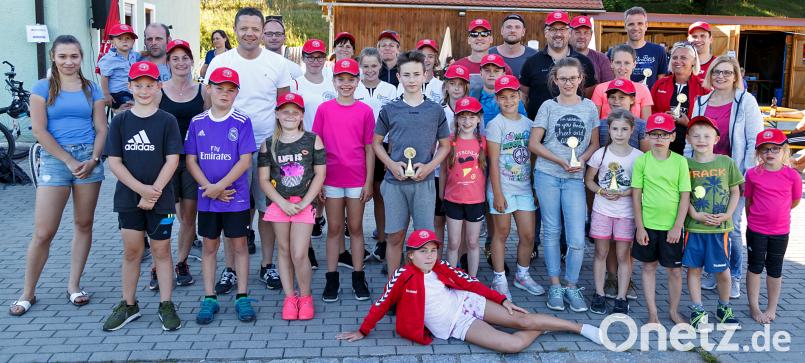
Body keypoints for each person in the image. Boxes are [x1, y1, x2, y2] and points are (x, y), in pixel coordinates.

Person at [335, 229, 604, 352]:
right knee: (510, 345)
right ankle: (544, 328)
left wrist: (501, 299)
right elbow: (381, 304)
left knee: (521, 317)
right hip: (456, 323)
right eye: (422, 252)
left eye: (432, 250)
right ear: (411, 256)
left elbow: (469, 284)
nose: (429, 256)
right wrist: (362, 331)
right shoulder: (403, 276)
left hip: (468, 303)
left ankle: (580, 328)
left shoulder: (440, 266)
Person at [9, 35, 107, 316]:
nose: (68, 62)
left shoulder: (91, 89)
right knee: (43, 232)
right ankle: (28, 293)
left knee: (84, 224)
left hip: (89, 160)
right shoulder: (42, 88)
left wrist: (93, 159)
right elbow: (39, 130)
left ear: (80, 58)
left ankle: (74, 285)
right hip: (55, 160)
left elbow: (101, 127)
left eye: (74, 56)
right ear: (53, 57)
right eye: (62, 56)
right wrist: (68, 159)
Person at [205, 7, 292, 291]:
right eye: (245, 28)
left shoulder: (277, 64)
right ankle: (230, 269)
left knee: (267, 210)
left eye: (256, 28)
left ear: (263, 31)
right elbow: (210, 106)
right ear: (235, 29)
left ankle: (267, 266)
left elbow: (283, 107)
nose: (250, 33)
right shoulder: (221, 61)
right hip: (228, 151)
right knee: (231, 209)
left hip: (267, 147)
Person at [102, 61, 182, 331]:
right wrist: (141, 190)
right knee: (132, 250)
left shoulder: (167, 121)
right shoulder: (121, 121)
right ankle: (129, 304)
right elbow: (114, 162)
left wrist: (154, 192)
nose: (144, 90)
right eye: (139, 85)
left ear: (159, 86)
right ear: (130, 87)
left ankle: (166, 303)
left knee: (162, 250)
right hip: (128, 198)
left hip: (163, 200)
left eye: (150, 85)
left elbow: (172, 160)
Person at [185, 67, 257, 324]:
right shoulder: (197, 122)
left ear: (237, 93)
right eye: (219, 88)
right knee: (209, 246)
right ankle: (209, 297)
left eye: (230, 89)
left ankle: (242, 296)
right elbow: (191, 160)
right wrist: (209, 187)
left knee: (239, 245)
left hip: (234, 197)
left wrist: (220, 186)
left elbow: (245, 161)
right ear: (209, 89)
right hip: (207, 197)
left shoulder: (242, 121)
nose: (224, 93)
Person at [687, 56, 764, 297]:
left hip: (731, 173)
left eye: (727, 73)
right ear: (710, 75)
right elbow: (692, 136)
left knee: (731, 228)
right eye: (717, 72)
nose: (721, 76)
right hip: (702, 173)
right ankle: (714, 273)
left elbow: (754, 139)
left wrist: (745, 174)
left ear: (735, 76)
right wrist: (685, 171)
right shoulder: (701, 101)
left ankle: (734, 276)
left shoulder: (745, 101)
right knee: (705, 225)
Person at [529, 58, 600, 312]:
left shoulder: (590, 107)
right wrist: (559, 160)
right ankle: (555, 284)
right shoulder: (548, 106)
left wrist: (580, 159)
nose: (568, 83)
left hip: (574, 178)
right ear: (555, 80)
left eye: (573, 78)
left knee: (577, 236)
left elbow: (594, 143)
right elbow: (534, 143)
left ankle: (572, 285)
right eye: (563, 79)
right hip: (548, 175)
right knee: (551, 230)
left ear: (581, 79)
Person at [373, 50, 451, 275]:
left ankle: (423, 286)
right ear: (398, 77)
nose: (412, 80)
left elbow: (445, 145)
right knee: (395, 236)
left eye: (416, 74)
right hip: (395, 183)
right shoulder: (389, 109)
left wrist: (429, 166)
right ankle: (393, 285)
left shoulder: (435, 110)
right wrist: (391, 164)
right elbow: (377, 143)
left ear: (425, 75)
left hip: (424, 184)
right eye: (406, 75)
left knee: (424, 239)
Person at [259, 92, 326, 320]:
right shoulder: (269, 145)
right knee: (284, 250)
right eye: (285, 111)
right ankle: (290, 297)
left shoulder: (312, 139)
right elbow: (264, 180)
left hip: (304, 205)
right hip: (279, 205)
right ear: (277, 114)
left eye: (295, 112)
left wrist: (306, 202)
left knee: (299, 253)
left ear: (301, 115)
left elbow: (319, 174)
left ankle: (305, 296)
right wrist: (281, 202)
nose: (290, 115)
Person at [313, 59, 375, 302]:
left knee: (356, 228)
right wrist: (318, 182)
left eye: (351, 79)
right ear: (334, 81)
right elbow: (318, 148)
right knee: (334, 229)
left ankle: (358, 277)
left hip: (357, 179)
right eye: (341, 79)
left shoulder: (365, 111)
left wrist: (369, 182)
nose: (346, 84)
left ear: (358, 82)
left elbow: (369, 149)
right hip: (332, 179)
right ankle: (332, 278)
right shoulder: (324, 109)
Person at [156, 39, 211, 291]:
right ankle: (158, 263)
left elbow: (211, 124)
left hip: (193, 161)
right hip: (164, 162)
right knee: (166, 216)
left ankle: (181, 262)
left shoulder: (203, 91)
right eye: (175, 58)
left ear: (192, 61)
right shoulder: (158, 90)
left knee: (189, 218)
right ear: (168, 62)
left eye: (185, 58)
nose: (180, 63)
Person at [682, 116, 743, 330]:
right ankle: (697, 309)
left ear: (716, 138)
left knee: (723, 272)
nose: (701, 140)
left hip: (720, 229)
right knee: (694, 270)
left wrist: (728, 215)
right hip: (695, 227)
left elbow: (735, 192)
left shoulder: (726, 162)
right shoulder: (684, 164)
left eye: (707, 135)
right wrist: (695, 214)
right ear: (688, 138)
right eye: (696, 135)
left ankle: (724, 307)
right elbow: (683, 195)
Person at [630, 113, 691, 325]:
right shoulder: (641, 161)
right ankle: (652, 312)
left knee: (674, 271)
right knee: (648, 267)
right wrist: (639, 227)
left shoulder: (680, 162)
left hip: (671, 227)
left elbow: (685, 196)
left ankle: (673, 311)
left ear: (673, 137)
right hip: (648, 225)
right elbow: (636, 196)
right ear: (647, 135)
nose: (659, 139)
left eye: (664, 135)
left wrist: (677, 226)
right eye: (654, 134)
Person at [486, 75, 540, 301]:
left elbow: (534, 158)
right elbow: (494, 162)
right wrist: (497, 193)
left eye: (512, 96)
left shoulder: (529, 124)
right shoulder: (495, 124)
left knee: (528, 235)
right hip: (503, 188)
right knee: (502, 233)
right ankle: (499, 278)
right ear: (497, 99)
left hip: (524, 188)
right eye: (503, 97)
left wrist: (535, 188)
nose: (508, 101)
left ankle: (522, 274)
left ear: (520, 96)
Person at [585, 108, 642, 316]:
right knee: (601, 252)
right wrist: (601, 190)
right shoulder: (601, 154)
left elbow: (639, 187)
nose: (619, 133)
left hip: (626, 213)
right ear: (608, 130)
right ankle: (599, 293)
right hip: (602, 210)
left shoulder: (639, 157)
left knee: (623, 255)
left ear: (632, 130)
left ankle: (621, 296)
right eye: (615, 129)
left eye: (624, 129)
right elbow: (589, 180)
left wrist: (624, 193)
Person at [744, 129, 802, 323]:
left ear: (784, 151)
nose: (769, 153)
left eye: (775, 149)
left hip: (780, 231)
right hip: (756, 230)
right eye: (765, 149)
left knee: (775, 269)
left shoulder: (792, 176)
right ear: (758, 153)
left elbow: (794, 201)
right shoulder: (752, 174)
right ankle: (754, 307)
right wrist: (754, 220)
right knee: (755, 267)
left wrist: (779, 214)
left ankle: (771, 308)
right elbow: (749, 201)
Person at [354, 47, 398, 260]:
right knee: (358, 199)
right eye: (365, 66)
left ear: (381, 66)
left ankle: (382, 240)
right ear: (359, 67)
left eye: (374, 66)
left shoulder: (391, 90)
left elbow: (396, 121)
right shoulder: (353, 88)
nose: (370, 70)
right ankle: (358, 243)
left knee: (381, 196)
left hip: (383, 149)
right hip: (357, 150)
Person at [519, 11, 597, 121]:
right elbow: (524, 97)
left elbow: (589, 95)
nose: (558, 34)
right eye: (553, 29)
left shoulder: (584, 62)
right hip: (539, 130)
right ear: (546, 33)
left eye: (562, 29)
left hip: (574, 128)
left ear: (569, 32)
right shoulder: (531, 63)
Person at [441, 97, 486, 277]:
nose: (467, 121)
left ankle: (472, 279)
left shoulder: (483, 142)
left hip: (476, 200)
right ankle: (452, 277)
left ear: (478, 119)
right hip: (453, 200)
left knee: (473, 242)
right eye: (463, 117)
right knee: (453, 242)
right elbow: (443, 171)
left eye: (471, 117)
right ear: (457, 119)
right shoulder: (449, 141)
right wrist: (442, 195)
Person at [650, 42, 708, 154]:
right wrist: (663, 118)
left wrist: (689, 123)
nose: (678, 61)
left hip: (691, 146)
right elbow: (650, 112)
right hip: (662, 144)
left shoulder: (704, 87)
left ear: (694, 61)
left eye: (683, 57)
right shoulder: (660, 84)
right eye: (674, 57)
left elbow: (709, 120)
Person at [453, 18, 514, 96]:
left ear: (491, 39)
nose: (479, 38)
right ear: (469, 40)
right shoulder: (457, 67)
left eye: (484, 34)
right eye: (474, 34)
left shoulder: (503, 68)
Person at [591, 44, 652, 120]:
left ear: (634, 64)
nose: (622, 67)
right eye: (618, 62)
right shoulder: (600, 89)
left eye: (627, 63)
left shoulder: (643, 90)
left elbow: (646, 124)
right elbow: (594, 123)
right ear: (611, 63)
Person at [617, 7, 668, 89]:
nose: (636, 28)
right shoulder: (615, 52)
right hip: (622, 100)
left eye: (640, 23)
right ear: (625, 27)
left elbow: (661, 83)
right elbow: (612, 81)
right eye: (631, 24)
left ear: (646, 26)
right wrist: (636, 87)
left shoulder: (658, 51)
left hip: (650, 101)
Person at [470, 54, 527, 128]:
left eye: (496, 71)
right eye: (487, 70)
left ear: (503, 74)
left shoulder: (512, 99)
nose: (491, 74)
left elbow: (522, 125)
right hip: (479, 138)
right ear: (480, 73)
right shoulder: (473, 96)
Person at [598, 79, 649, 151]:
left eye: (621, 97)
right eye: (612, 97)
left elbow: (645, 155)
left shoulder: (642, 125)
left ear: (632, 100)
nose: (616, 101)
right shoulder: (600, 124)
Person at [98, 23, 140, 110]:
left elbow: (142, 54)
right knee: (129, 106)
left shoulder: (134, 55)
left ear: (133, 41)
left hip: (132, 91)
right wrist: (106, 94)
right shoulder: (109, 59)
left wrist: (149, 53)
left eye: (127, 38)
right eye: (120, 38)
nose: (124, 41)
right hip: (117, 93)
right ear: (113, 42)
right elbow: (104, 77)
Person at [488, 14, 537, 78]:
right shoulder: (489, 54)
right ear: (502, 31)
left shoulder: (534, 56)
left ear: (523, 32)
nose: (512, 30)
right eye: (509, 27)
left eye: (517, 27)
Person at [570, 15, 614, 84]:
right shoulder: (562, 56)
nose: (582, 36)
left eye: (586, 33)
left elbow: (607, 87)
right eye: (577, 32)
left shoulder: (601, 59)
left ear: (591, 35)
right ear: (570, 33)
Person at [397, 39, 443, 104]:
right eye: (423, 56)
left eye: (430, 56)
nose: (426, 60)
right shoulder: (405, 83)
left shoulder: (441, 86)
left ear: (435, 59)